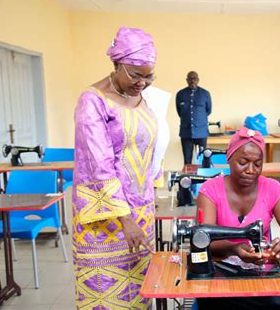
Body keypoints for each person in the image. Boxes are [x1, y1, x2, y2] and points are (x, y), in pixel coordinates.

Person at [72, 26, 159, 309]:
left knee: (141, 292)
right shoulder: (92, 101)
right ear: (116, 63)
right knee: (109, 297)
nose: (143, 83)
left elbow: (145, 147)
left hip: (142, 214)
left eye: (149, 76)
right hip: (106, 221)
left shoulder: (141, 97)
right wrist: (125, 219)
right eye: (136, 74)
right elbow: (97, 166)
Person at [196, 126, 280, 310]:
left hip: (259, 269)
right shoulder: (210, 190)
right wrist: (233, 248)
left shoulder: (271, 189)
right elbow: (203, 240)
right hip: (220, 267)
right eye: (243, 162)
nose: (251, 170)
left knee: (272, 303)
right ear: (229, 158)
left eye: (257, 164)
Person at [176, 71, 212, 165]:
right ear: (187, 80)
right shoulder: (180, 94)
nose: (193, 81)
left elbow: (208, 111)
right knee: (187, 161)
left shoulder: (205, 94)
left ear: (198, 80)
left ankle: (205, 178)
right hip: (186, 132)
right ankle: (188, 178)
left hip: (201, 131)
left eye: (194, 79)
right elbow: (180, 112)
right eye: (190, 79)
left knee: (204, 159)